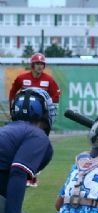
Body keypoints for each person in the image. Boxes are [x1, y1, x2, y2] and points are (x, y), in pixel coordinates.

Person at [9, 52, 61, 187]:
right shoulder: (22, 78)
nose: (39, 66)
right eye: (37, 64)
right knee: (21, 143)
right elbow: (13, 93)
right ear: (32, 65)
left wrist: (47, 109)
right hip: (23, 118)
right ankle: (19, 172)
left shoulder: (48, 80)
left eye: (42, 64)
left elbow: (56, 95)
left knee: (37, 145)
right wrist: (13, 108)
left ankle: (32, 176)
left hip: (40, 120)